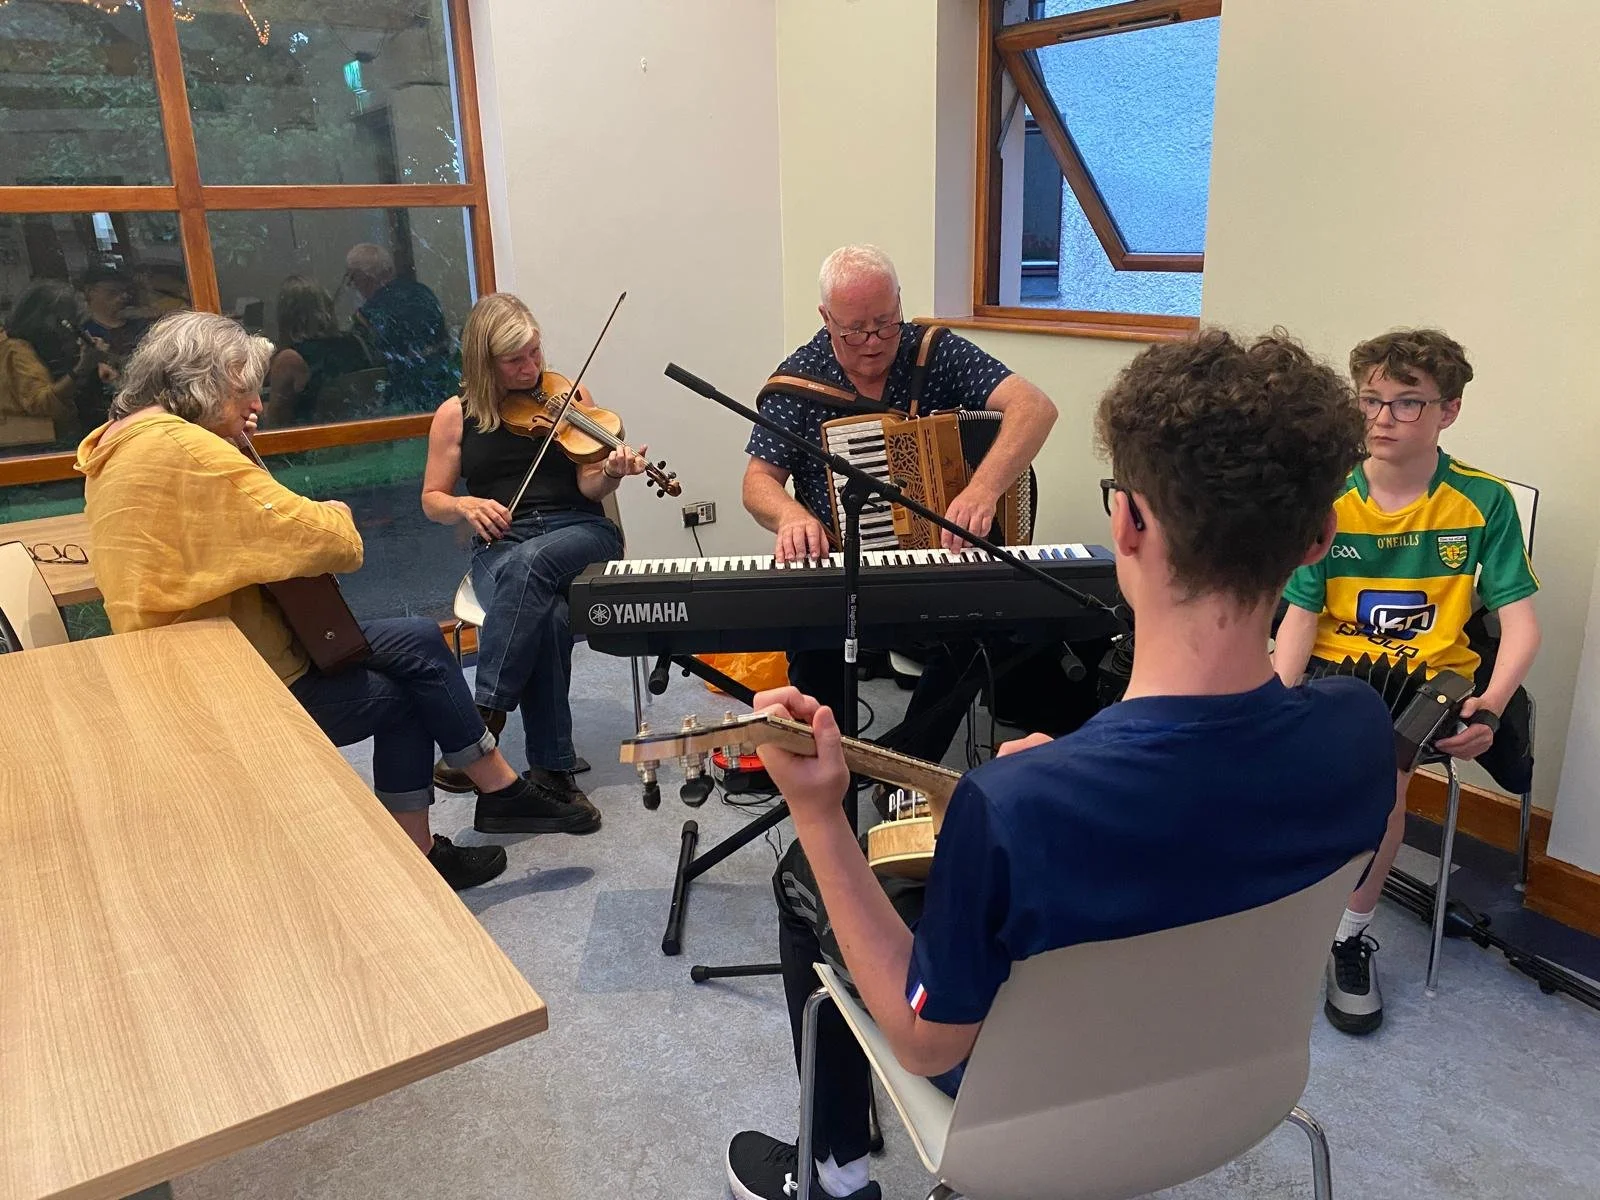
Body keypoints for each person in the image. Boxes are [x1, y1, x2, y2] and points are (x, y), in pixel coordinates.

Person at [724, 330, 1397, 1200]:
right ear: (1320, 539)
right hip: (1241, 1090)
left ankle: (834, 1173)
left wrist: (819, 815)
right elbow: (1211, 821)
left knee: (805, 881)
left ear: (1128, 520)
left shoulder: (1015, 806)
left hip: (1030, 1120)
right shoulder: (1359, 731)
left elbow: (931, 1045)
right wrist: (1076, 764)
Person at [76, 311, 596, 891]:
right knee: (408, 695)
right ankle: (444, 834)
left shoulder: (119, 445)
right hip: (227, 674)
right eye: (247, 390)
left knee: (421, 638)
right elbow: (332, 542)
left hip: (198, 646)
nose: (256, 405)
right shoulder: (189, 451)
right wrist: (339, 514)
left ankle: (493, 787)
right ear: (212, 380)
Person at [1273, 328, 1541, 1036]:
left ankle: (1348, 937)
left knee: (1382, 786)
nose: (1383, 418)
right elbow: (1299, 615)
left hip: (1435, 679)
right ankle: (1275, 923)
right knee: (1278, 775)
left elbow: (1520, 627)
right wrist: (1270, 703)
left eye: (1408, 403)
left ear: (1449, 410)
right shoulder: (1328, 496)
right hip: (1337, 667)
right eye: (1372, 400)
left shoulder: (1483, 502)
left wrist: (1493, 701)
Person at [742, 244, 1058, 763]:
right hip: (841, 570)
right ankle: (833, 768)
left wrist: (982, 489)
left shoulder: (935, 353)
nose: (873, 342)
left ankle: (909, 767)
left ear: (899, 304)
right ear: (826, 319)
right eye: (855, 330)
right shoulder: (799, 383)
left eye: (885, 323)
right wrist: (791, 514)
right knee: (813, 657)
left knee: (983, 632)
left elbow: (1034, 407)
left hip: (938, 564)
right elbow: (757, 483)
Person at [421, 293, 644, 814]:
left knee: (532, 566)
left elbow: (590, 486)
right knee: (549, 613)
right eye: (515, 360)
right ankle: (553, 771)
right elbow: (432, 500)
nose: (531, 368)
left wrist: (610, 470)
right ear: (484, 362)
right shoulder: (455, 416)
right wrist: (466, 505)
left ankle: (481, 719)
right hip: (505, 541)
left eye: (535, 353)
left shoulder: (571, 395)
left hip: (580, 533)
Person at [344, 242, 458, 412]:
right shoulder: (424, 292)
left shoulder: (369, 314)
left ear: (363, 278)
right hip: (445, 388)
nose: (355, 287)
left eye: (353, 279)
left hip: (404, 398)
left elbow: (363, 365)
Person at [0, 280, 114, 449]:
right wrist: (82, 368)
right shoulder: (17, 350)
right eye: (64, 322)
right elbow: (42, 404)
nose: (65, 331)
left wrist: (95, 366)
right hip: (34, 447)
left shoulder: (43, 347)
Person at [265, 275, 374, 426]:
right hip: (365, 435)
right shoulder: (357, 343)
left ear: (285, 316)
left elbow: (275, 423)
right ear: (327, 308)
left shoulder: (289, 359)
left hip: (313, 442)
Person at [80, 262, 152, 362]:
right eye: (113, 291)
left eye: (125, 291)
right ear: (89, 291)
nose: (123, 296)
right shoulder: (84, 333)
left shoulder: (141, 325)